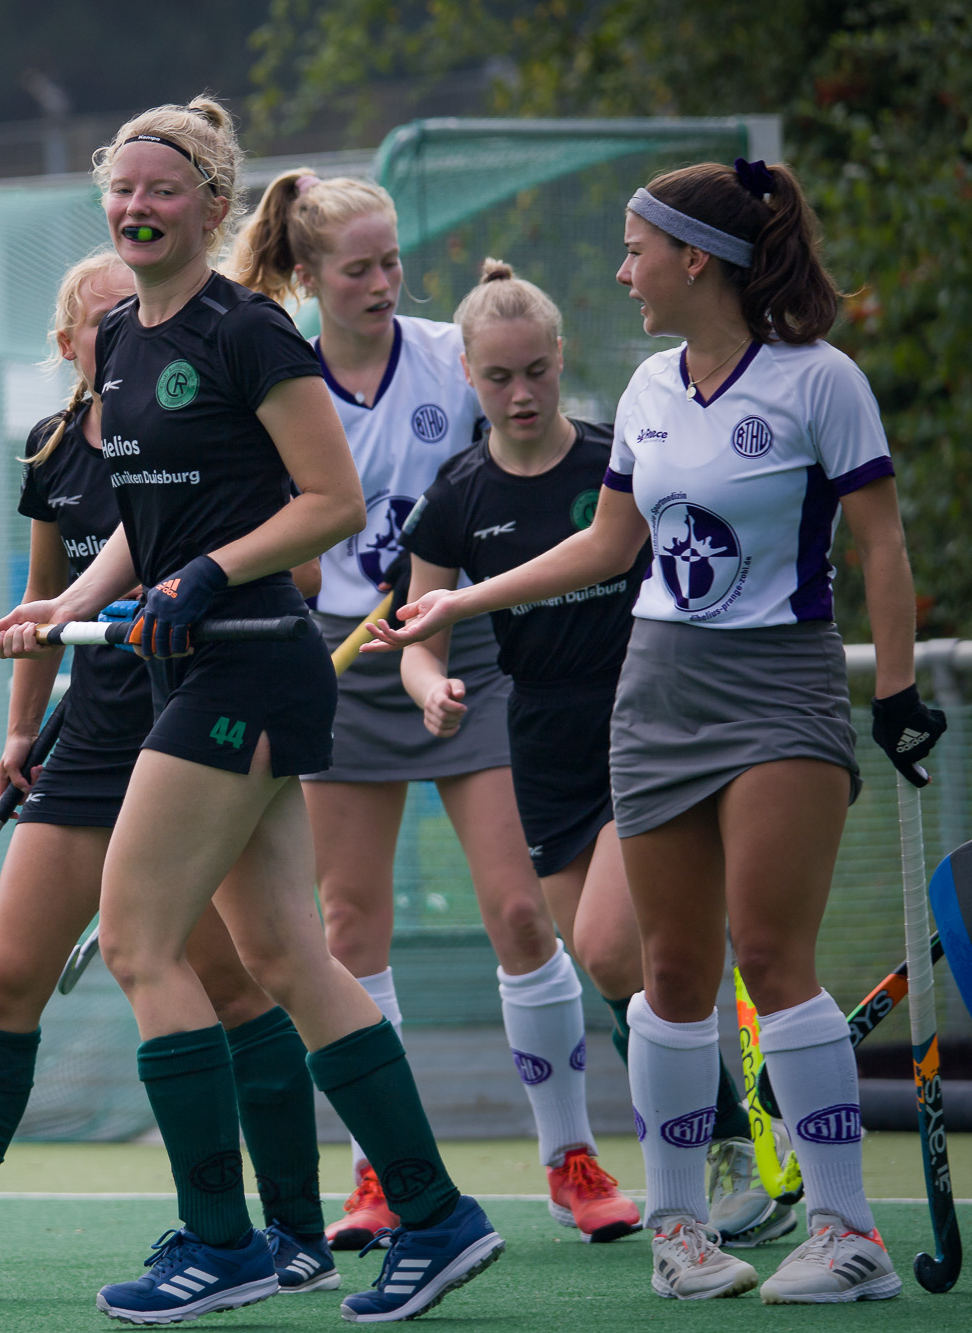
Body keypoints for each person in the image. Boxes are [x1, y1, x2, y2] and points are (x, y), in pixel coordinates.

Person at [367, 159, 946, 1303]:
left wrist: (890, 693)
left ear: (695, 259)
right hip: (656, 691)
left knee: (769, 956)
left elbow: (879, 543)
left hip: (778, 684)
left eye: (636, 252)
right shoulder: (645, 389)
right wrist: (458, 603)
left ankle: (846, 1233)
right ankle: (678, 1234)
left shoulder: (818, 380)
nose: (623, 272)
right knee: (667, 974)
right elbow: (606, 545)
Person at [0, 98, 503, 1325]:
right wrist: (66, 606)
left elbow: (329, 503)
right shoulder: (120, 336)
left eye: (162, 190)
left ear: (212, 207)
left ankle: (222, 1243)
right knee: (285, 958)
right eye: (122, 189)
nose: (135, 207)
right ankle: (436, 1215)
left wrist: (207, 575)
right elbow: (142, 521)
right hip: (204, 668)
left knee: (137, 942)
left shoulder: (248, 329)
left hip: (251, 661)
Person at [0, 251, 341, 1297]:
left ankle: (290, 1229)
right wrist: (21, 729)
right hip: (90, 737)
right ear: (71, 342)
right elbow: (46, 597)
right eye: (99, 318)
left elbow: (299, 566)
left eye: (132, 309)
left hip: (195, 722)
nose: (124, 329)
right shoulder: (52, 447)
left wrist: (188, 584)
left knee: (232, 982)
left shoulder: (212, 421)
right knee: (4, 976)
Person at [233, 169, 589, 1247]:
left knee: (520, 910)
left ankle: (571, 1158)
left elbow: (527, 456)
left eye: (392, 261)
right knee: (348, 926)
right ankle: (379, 1173)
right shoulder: (275, 378)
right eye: (358, 269)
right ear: (307, 276)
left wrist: (459, 584)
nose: (384, 282)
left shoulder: (449, 356)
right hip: (336, 665)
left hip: (465, 647)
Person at [402, 258, 788, 1249]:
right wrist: (429, 685)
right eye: (498, 377)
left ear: (561, 358)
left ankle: (724, 1148)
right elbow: (420, 630)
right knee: (610, 966)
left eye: (536, 370)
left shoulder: (617, 463)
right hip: (540, 741)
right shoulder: (456, 494)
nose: (521, 393)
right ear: (468, 377)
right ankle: (728, 1135)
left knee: (618, 946)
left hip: (643, 722)